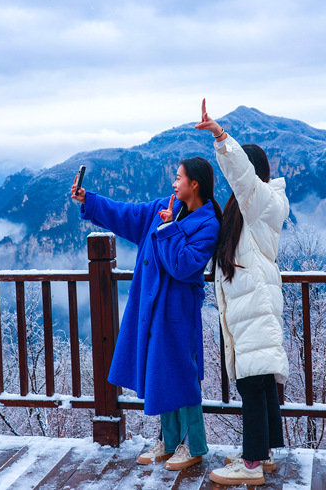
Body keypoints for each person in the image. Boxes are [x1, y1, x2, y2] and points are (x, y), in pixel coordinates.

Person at [71, 157, 222, 470]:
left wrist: (168, 227)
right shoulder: (162, 207)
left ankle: (194, 445)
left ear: (194, 184)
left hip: (179, 311)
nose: (173, 183)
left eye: (178, 178)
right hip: (151, 307)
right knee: (161, 370)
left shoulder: (209, 224)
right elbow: (127, 214)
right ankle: (169, 440)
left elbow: (183, 265)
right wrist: (91, 201)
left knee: (182, 373)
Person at [195, 100, 290, 486]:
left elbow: (244, 179)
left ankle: (250, 466)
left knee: (252, 380)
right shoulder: (244, 212)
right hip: (247, 306)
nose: (236, 183)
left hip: (256, 305)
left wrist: (221, 137)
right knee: (260, 377)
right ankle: (263, 454)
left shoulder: (264, 203)